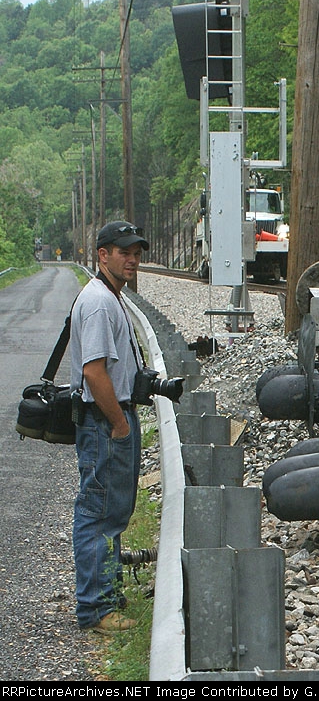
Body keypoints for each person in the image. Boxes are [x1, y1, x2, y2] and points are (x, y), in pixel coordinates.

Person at [69, 221, 149, 633]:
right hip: (106, 421)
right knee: (99, 515)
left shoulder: (111, 296)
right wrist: (119, 424)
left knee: (111, 514)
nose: (132, 259)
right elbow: (94, 372)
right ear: (103, 254)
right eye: (123, 252)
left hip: (111, 419)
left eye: (136, 252)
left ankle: (106, 597)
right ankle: (96, 610)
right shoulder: (100, 302)